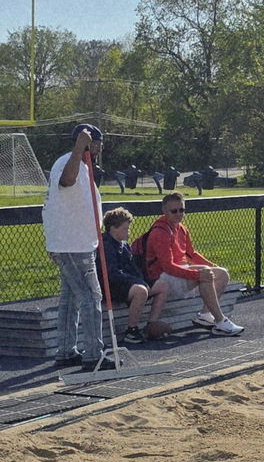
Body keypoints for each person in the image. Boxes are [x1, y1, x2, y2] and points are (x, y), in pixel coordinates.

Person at [42, 123, 107, 371]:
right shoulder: (71, 163)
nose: (100, 148)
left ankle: (66, 351)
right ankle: (94, 354)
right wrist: (80, 148)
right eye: (97, 143)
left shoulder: (82, 165)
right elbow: (66, 182)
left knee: (70, 299)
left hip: (77, 241)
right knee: (92, 297)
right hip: (73, 244)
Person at [144, 192, 244, 336]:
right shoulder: (160, 232)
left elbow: (191, 254)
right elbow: (168, 267)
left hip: (178, 272)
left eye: (182, 210)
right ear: (164, 211)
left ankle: (205, 315)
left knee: (221, 273)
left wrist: (212, 265)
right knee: (204, 274)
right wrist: (198, 274)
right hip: (162, 278)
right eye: (174, 211)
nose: (178, 214)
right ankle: (220, 320)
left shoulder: (182, 229)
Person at [100, 207, 170, 343]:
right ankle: (131, 330)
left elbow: (134, 268)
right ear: (113, 228)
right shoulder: (105, 245)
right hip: (113, 286)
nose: (129, 232)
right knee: (141, 291)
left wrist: (141, 280)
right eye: (125, 228)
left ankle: (151, 324)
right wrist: (137, 282)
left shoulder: (125, 245)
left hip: (128, 282)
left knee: (163, 286)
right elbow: (112, 273)